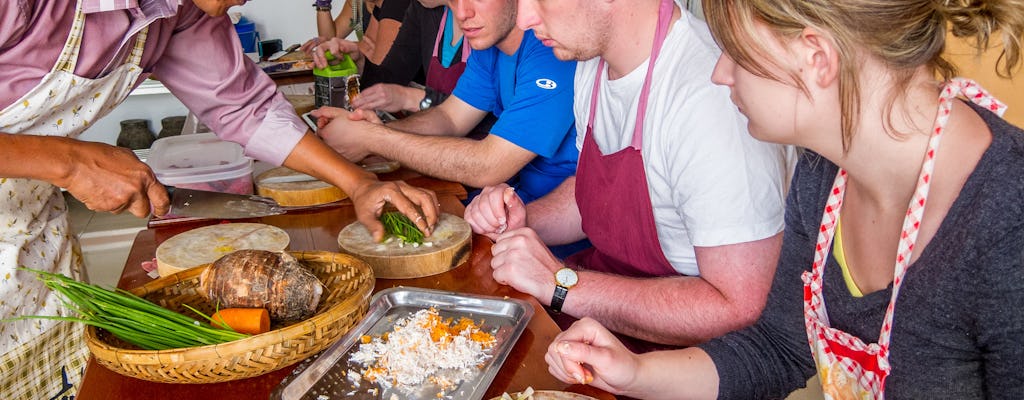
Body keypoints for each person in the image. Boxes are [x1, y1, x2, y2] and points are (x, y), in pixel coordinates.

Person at [543, 0, 1024, 398]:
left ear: (816, 57)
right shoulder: (824, 171)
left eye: (735, 52)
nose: (719, 74)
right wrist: (634, 373)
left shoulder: (1007, 221)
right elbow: (777, 347)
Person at [0, 1, 438, 398]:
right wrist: (67, 162)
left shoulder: (183, 13)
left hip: (34, 245)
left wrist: (358, 182)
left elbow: (245, 105)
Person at [463, 0, 792, 349]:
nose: (526, 19)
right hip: (593, 311)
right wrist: (521, 220)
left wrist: (560, 284)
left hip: (678, 355)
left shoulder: (708, 97)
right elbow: (592, 196)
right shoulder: (592, 62)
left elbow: (737, 306)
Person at [313, 0, 580, 206]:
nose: (462, 13)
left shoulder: (551, 49)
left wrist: (373, 139)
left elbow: (489, 165)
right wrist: (376, 131)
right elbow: (450, 118)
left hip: (551, 226)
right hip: (504, 205)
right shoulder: (489, 46)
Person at [346, 0, 469, 115]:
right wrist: (360, 64)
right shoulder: (422, 7)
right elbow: (390, 79)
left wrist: (408, 97)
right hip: (435, 130)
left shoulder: (483, 23)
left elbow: (473, 113)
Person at [306, 0, 411, 88]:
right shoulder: (365, 4)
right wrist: (323, 3)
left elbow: (380, 70)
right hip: (384, 88)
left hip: (402, 93)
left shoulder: (396, 4)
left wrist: (359, 50)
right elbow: (332, 43)